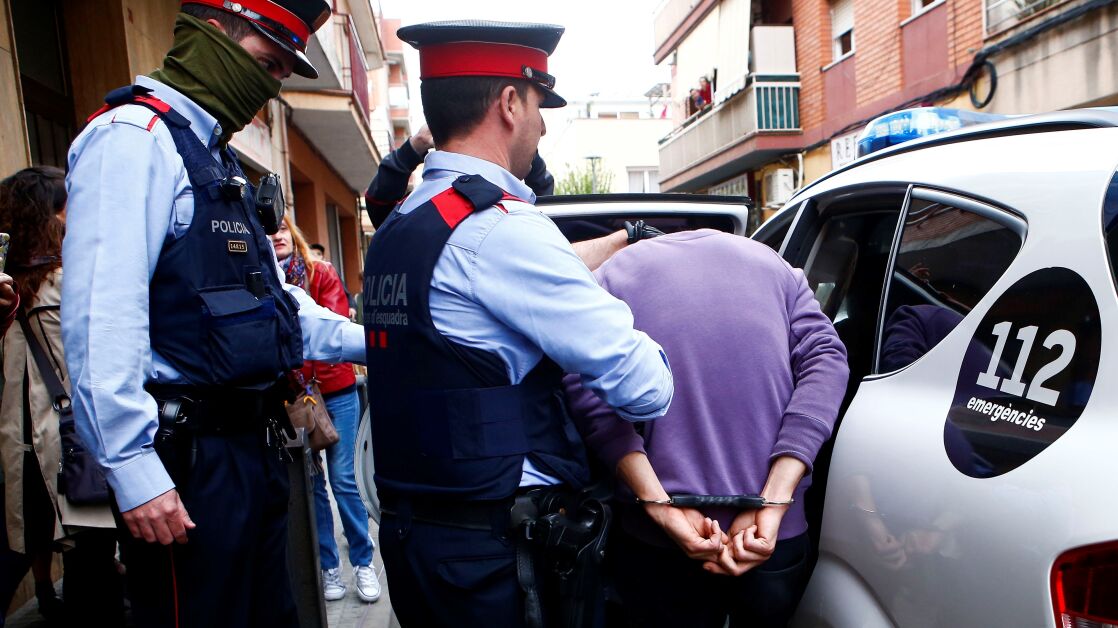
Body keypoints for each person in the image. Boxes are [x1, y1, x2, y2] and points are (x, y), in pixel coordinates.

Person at [61, 2, 366, 626]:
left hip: (251, 449)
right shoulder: (132, 139)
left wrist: (384, 340)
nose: (268, 88)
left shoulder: (214, 158)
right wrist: (133, 469)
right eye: (264, 63)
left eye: (280, 73)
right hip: (188, 463)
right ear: (210, 34)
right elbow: (101, 320)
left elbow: (275, 308)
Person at [362, 20, 675, 628]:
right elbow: (645, 387)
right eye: (538, 106)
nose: (543, 126)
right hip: (495, 557)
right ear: (509, 103)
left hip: (416, 542)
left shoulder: (403, 226)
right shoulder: (504, 229)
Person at [563, 229, 849, 628]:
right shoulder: (775, 265)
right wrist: (775, 499)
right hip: (772, 532)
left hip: (657, 535)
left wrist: (659, 505)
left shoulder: (609, 275)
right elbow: (827, 359)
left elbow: (583, 378)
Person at [0, 167, 123, 625]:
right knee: (91, 564)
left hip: (26, 449)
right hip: (73, 447)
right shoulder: (71, 281)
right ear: (52, 215)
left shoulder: (13, 285)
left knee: (48, 553)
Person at [271, 215, 380, 603]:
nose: (277, 236)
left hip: (335, 391)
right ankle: (328, 567)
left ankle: (364, 562)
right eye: (270, 231)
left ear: (293, 234)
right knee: (312, 483)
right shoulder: (262, 279)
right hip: (295, 397)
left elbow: (326, 328)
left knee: (344, 479)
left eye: (283, 229)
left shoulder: (320, 272)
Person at [365, 125, 555, 229]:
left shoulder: (419, 210)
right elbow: (379, 204)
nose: (542, 128)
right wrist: (414, 147)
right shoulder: (423, 209)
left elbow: (544, 206)